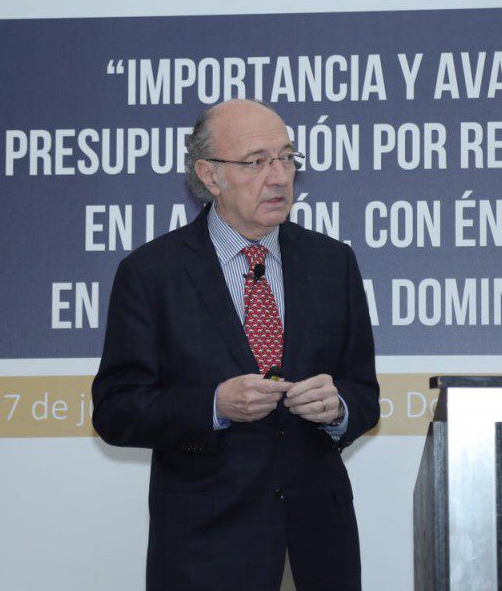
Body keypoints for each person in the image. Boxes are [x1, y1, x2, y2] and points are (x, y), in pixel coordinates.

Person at [92, 99, 379, 591]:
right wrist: (214, 405)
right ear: (210, 175)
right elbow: (116, 410)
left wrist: (338, 409)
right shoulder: (151, 273)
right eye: (256, 162)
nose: (279, 177)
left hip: (317, 548)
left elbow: (364, 394)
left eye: (286, 158)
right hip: (205, 550)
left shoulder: (333, 263)